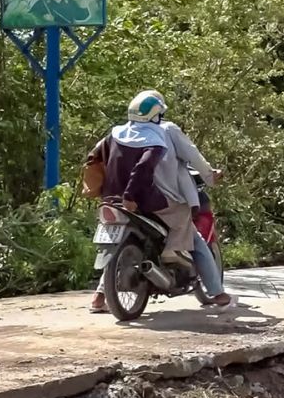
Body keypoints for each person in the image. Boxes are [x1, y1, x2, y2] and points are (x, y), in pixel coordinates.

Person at [88, 91, 235, 312]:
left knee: (119, 242)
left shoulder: (117, 132)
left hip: (113, 199)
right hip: (152, 199)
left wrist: (95, 186)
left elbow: (94, 157)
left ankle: (99, 297)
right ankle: (217, 292)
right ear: (157, 114)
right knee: (192, 234)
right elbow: (187, 158)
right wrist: (210, 176)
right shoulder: (163, 133)